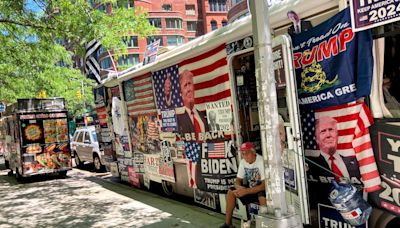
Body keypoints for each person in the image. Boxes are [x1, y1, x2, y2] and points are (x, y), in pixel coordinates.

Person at [220, 142, 266, 228]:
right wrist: (238, 187)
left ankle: (265, 225)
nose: (244, 156)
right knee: (231, 191)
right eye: (243, 154)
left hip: (261, 190)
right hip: (250, 189)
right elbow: (238, 180)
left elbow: (264, 185)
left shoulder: (261, 161)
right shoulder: (243, 162)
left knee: (262, 196)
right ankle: (228, 224)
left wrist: (246, 191)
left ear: (253, 152)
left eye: (246, 153)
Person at [307, 116, 361, 181]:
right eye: (323, 131)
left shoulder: (354, 161)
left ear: (337, 135)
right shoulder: (311, 165)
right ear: (317, 139)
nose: (328, 135)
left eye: (331, 130)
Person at [176, 70, 209, 137]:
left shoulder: (202, 115)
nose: (189, 89)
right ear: (181, 93)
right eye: (185, 85)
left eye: (189, 84)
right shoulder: (178, 118)